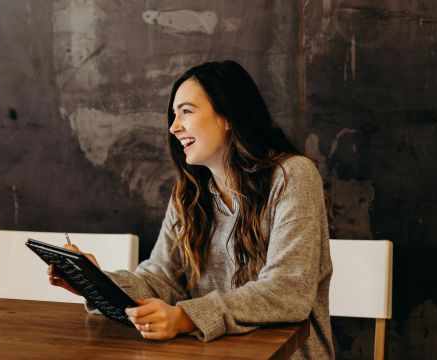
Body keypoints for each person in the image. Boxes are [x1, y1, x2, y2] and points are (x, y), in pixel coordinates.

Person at [48, 60, 334, 359]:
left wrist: (186, 318)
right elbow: (161, 279)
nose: (174, 127)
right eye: (174, 115)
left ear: (228, 117)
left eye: (186, 111)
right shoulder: (190, 193)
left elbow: (288, 292)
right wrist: (96, 283)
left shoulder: (292, 176)